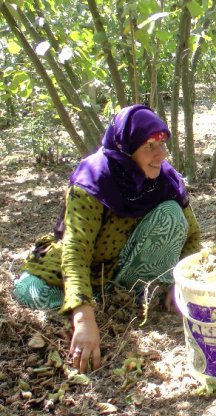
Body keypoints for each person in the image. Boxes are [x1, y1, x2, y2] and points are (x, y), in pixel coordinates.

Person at [13, 104, 201, 373]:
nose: (161, 154)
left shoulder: (165, 179)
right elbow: (76, 253)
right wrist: (84, 320)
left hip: (126, 264)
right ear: (126, 149)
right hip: (85, 267)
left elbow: (192, 236)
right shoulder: (93, 180)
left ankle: (126, 294)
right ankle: (97, 300)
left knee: (171, 214)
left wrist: (179, 285)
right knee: (31, 292)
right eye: (149, 146)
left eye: (162, 144)